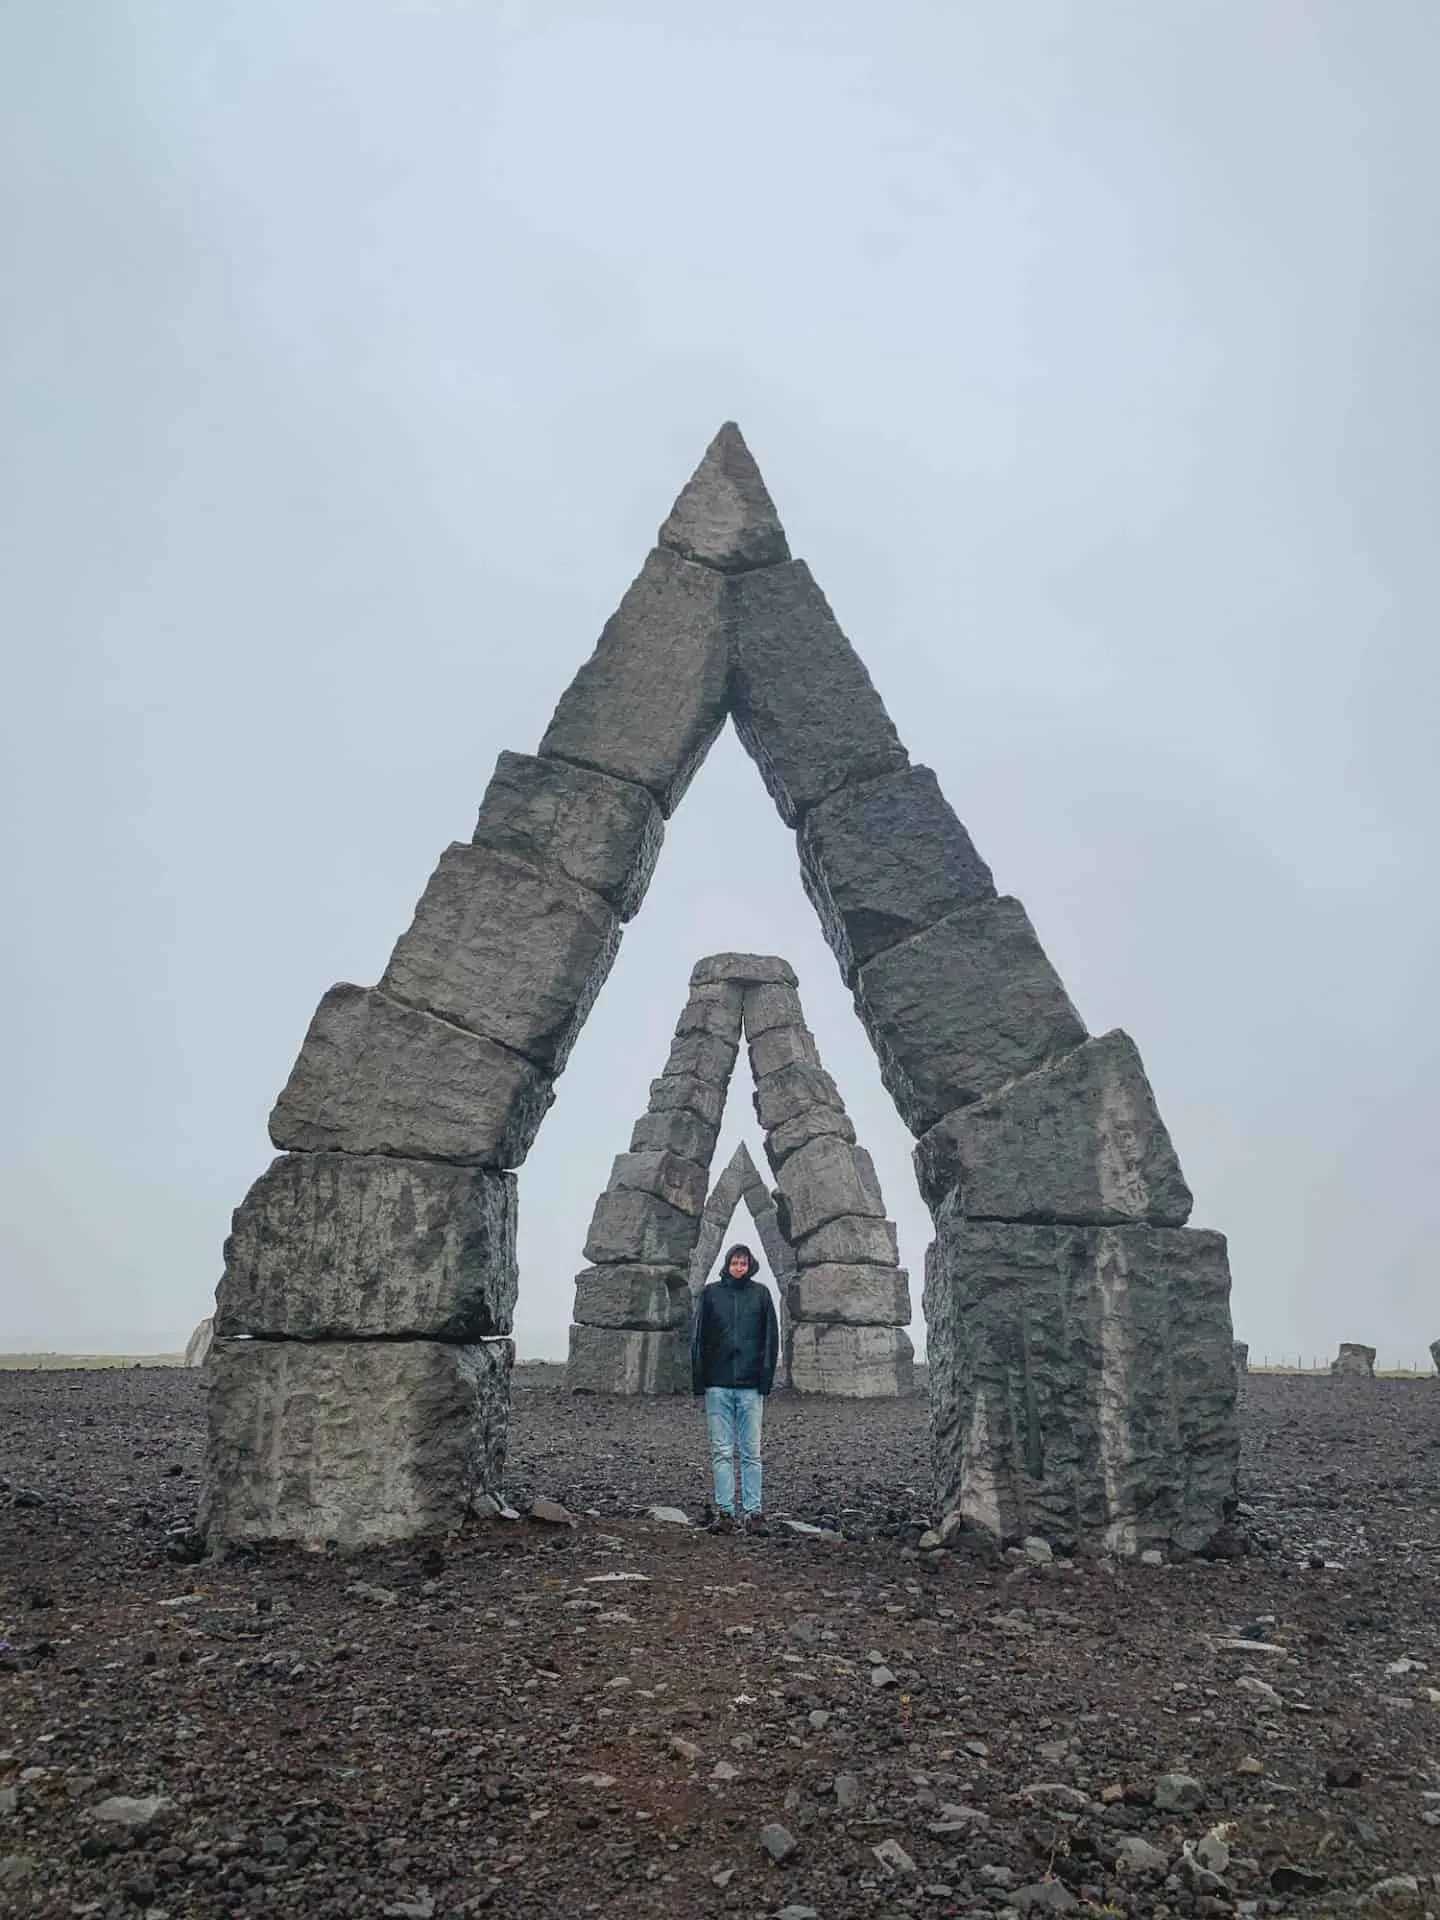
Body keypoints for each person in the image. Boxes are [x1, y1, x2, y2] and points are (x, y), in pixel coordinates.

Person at [691, 1241, 780, 1535]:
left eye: (743, 1263)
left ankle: (753, 1513)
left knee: (751, 1452)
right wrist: (699, 1380)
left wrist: (766, 1380)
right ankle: (726, 1512)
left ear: (749, 1265)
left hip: (750, 1386)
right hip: (718, 1384)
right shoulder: (711, 1294)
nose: (739, 1268)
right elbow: (699, 1336)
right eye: (734, 1263)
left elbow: (771, 1339)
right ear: (728, 1264)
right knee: (722, 1451)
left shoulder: (761, 1294)